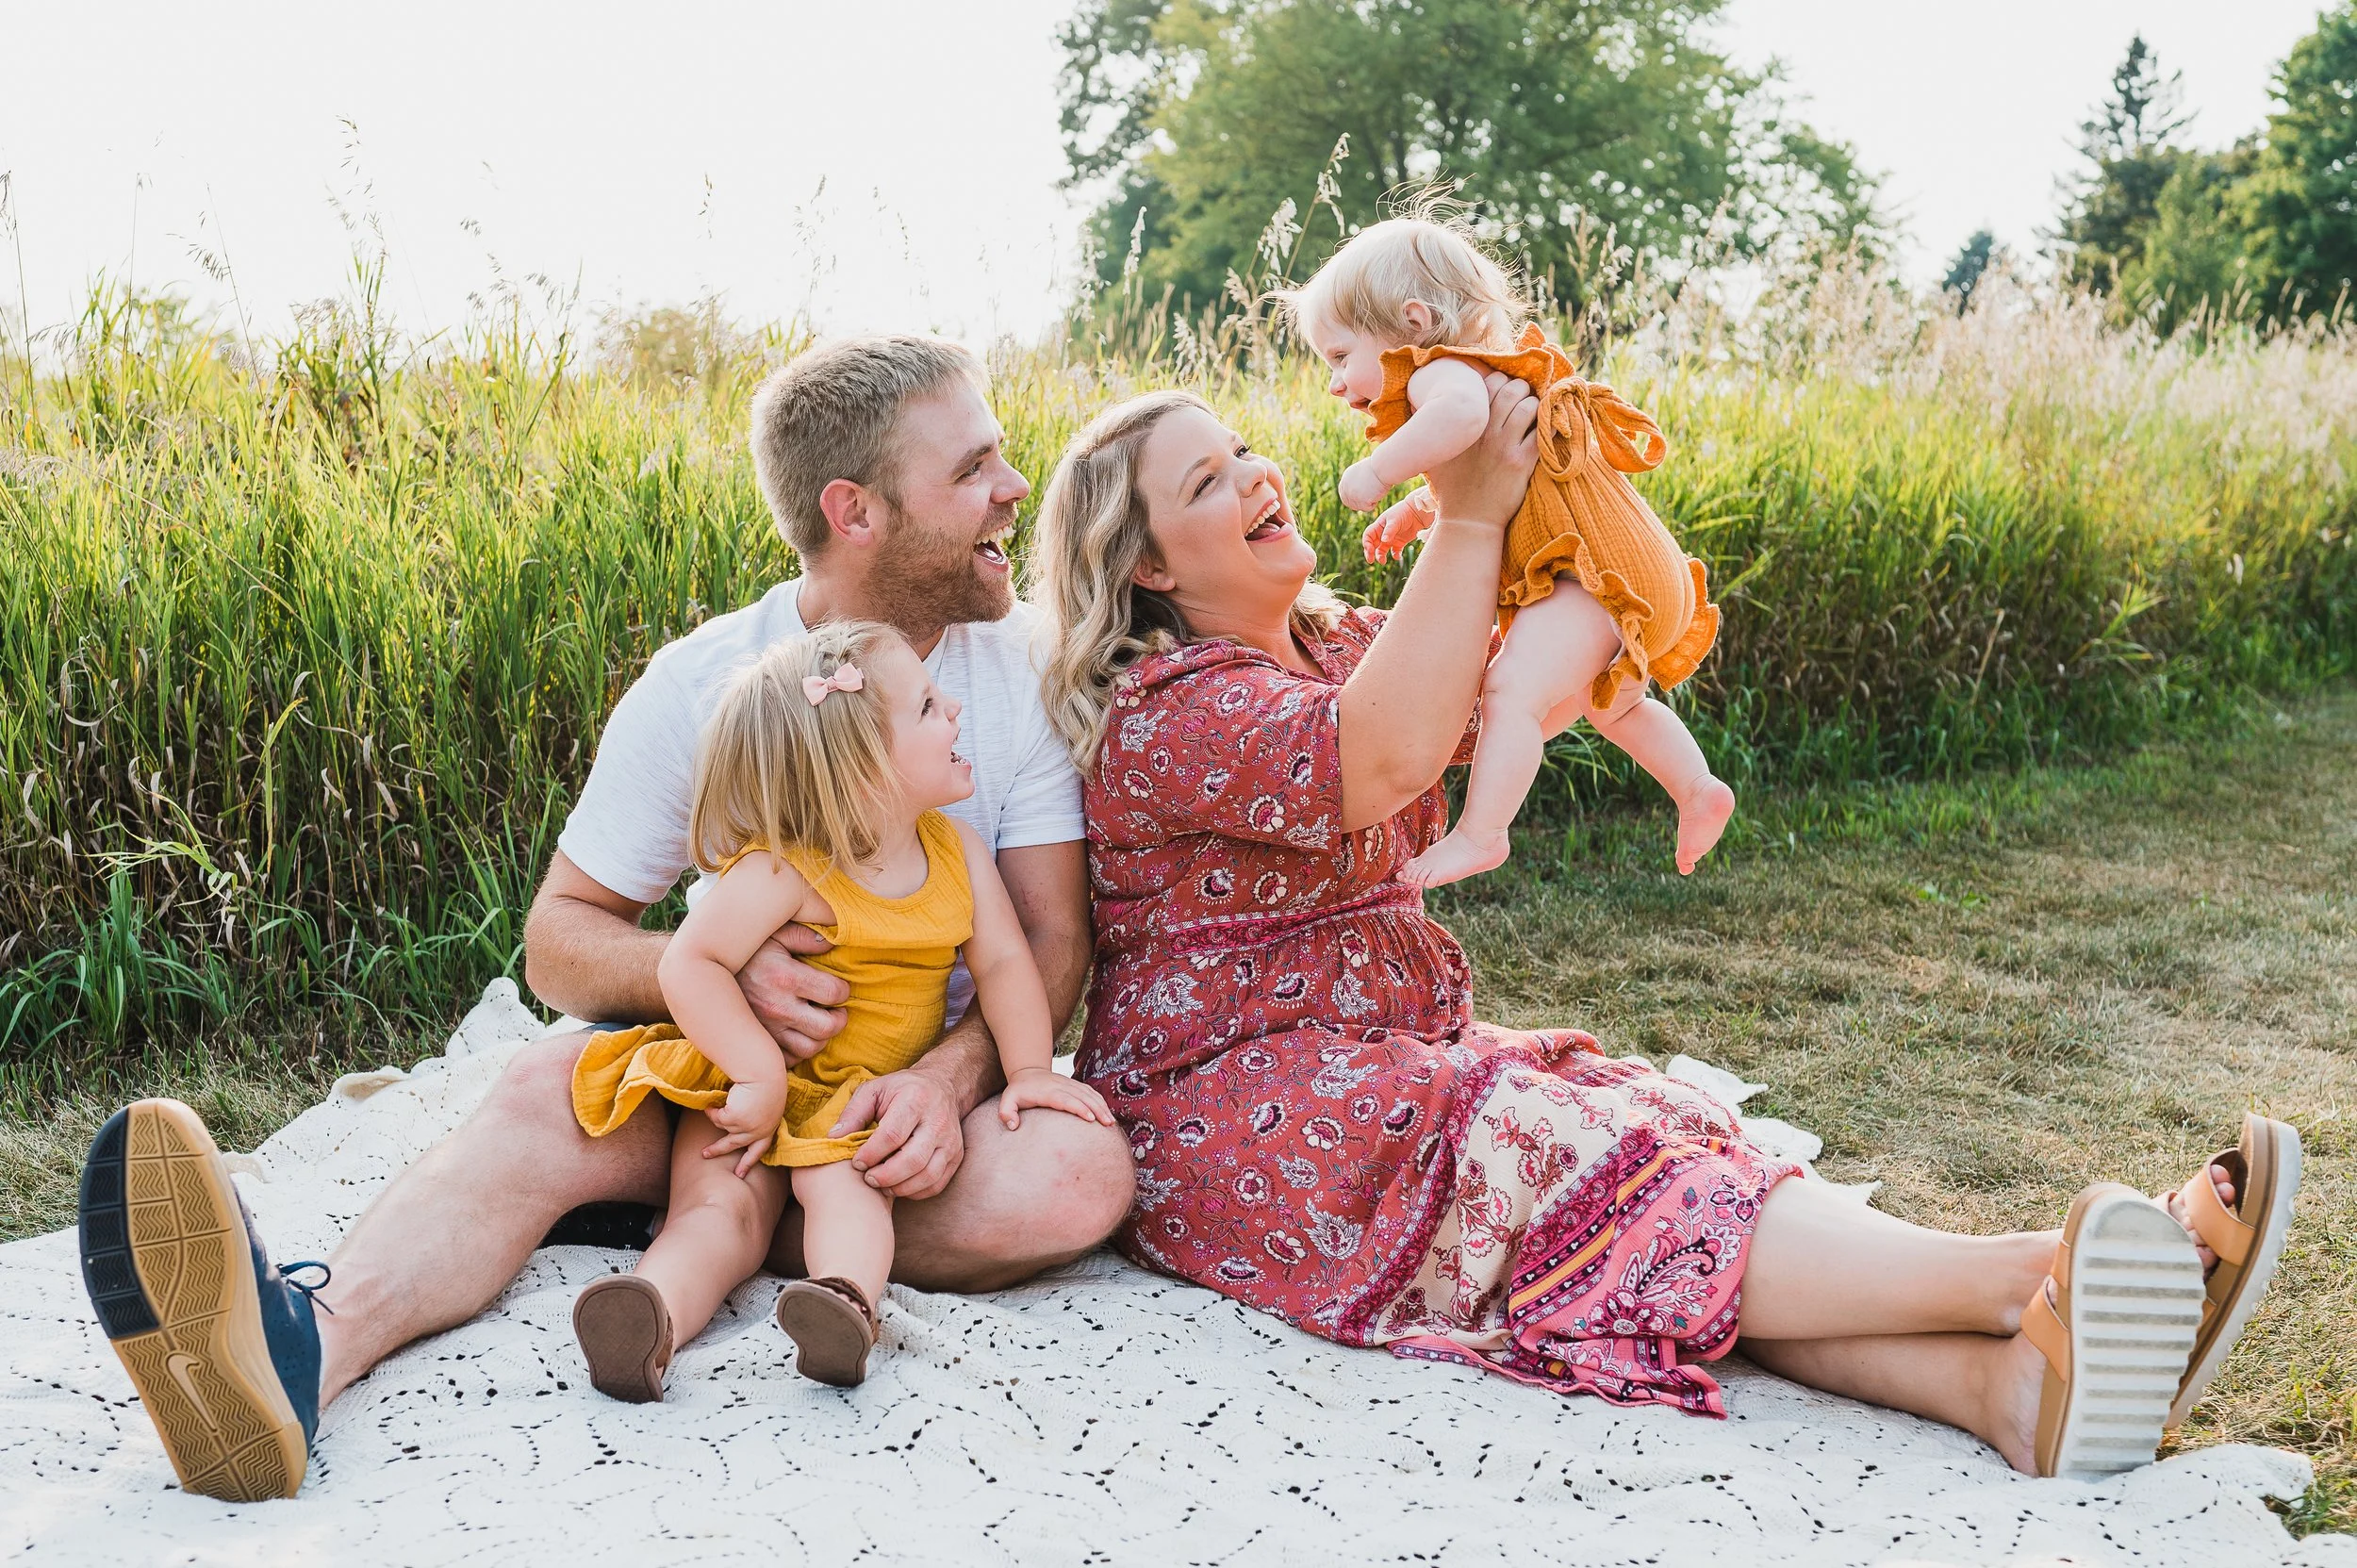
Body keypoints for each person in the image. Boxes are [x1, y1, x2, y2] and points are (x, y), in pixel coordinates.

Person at [1023, 380, 2302, 1480]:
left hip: (1381, 1059)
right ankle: (2056, 1268)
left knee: (1652, 1178)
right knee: (1580, 1158)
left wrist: (1564, 510)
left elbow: (1541, 665)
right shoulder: (1163, 708)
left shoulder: (1327, 639)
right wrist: (1466, 516)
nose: (1255, 473)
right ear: (1148, 565)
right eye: (1206, 480)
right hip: (1246, 1114)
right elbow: (1379, 754)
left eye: (1242, 448)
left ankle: (2006, 1397)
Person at [74, 336, 1136, 1501]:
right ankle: (294, 1354)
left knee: (1076, 1178)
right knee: (539, 1091)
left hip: (911, 1120)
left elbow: (1042, 944)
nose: (1014, 488)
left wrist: (946, 1079)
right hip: (726, 1094)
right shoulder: (707, 683)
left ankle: (707, 1228)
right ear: (857, 510)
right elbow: (561, 940)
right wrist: (722, 982)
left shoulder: (1018, 670)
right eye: (974, 467)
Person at [569, 623, 1113, 1400]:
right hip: (754, 1093)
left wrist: (1028, 1069)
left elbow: (1001, 963)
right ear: (865, 773)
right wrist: (755, 1071)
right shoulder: (788, 868)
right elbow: (691, 960)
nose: (954, 709)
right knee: (718, 1212)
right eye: (928, 708)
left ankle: (840, 1305)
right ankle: (648, 1314)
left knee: (851, 1195)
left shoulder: (956, 854)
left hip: (858, 1100)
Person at [1287, 213, 1733, 885]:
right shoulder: (1493, 373)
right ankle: (1697, 785)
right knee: (1611, 703)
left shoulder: (1444, 370)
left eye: (1341, 357)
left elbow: (1460, 419)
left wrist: (1379, 474)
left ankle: (1483, 833)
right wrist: (1417, 511)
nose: (1336, 380)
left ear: (1413, 322)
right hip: (1641, 576)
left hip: (1597, 576)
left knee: (1510, 688)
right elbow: (1488, 470)